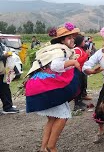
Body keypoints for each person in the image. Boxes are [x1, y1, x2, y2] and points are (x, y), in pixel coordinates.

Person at [25, 23, 81, 152]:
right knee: (63, 115)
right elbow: (56, 66)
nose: (72, 39)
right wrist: (73, 62)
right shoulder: (60, 50)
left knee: (52, 118)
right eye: (69, 37)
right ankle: (51, 146)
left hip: (39, 85)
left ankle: (44, 148)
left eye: (73, 37)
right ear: (62, 40)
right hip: (47, 86)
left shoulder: (55, 49)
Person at [73, 34, 91, 111]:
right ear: (80, 41)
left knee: (82, 86)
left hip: (82, 70)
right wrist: (86, 54)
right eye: (83, 40)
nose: (84, 42)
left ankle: (80, 101)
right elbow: (78, 61)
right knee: (78, 87)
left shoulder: (81, 49)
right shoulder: (77, 49)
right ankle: (76, 104)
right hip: (78, 70)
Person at [0, 42, 19, 114]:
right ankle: (7, 107)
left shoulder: (1, 44)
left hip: (2, 70)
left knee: (5, 88)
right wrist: (4, 56)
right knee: (4, 88)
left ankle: (8, 106)